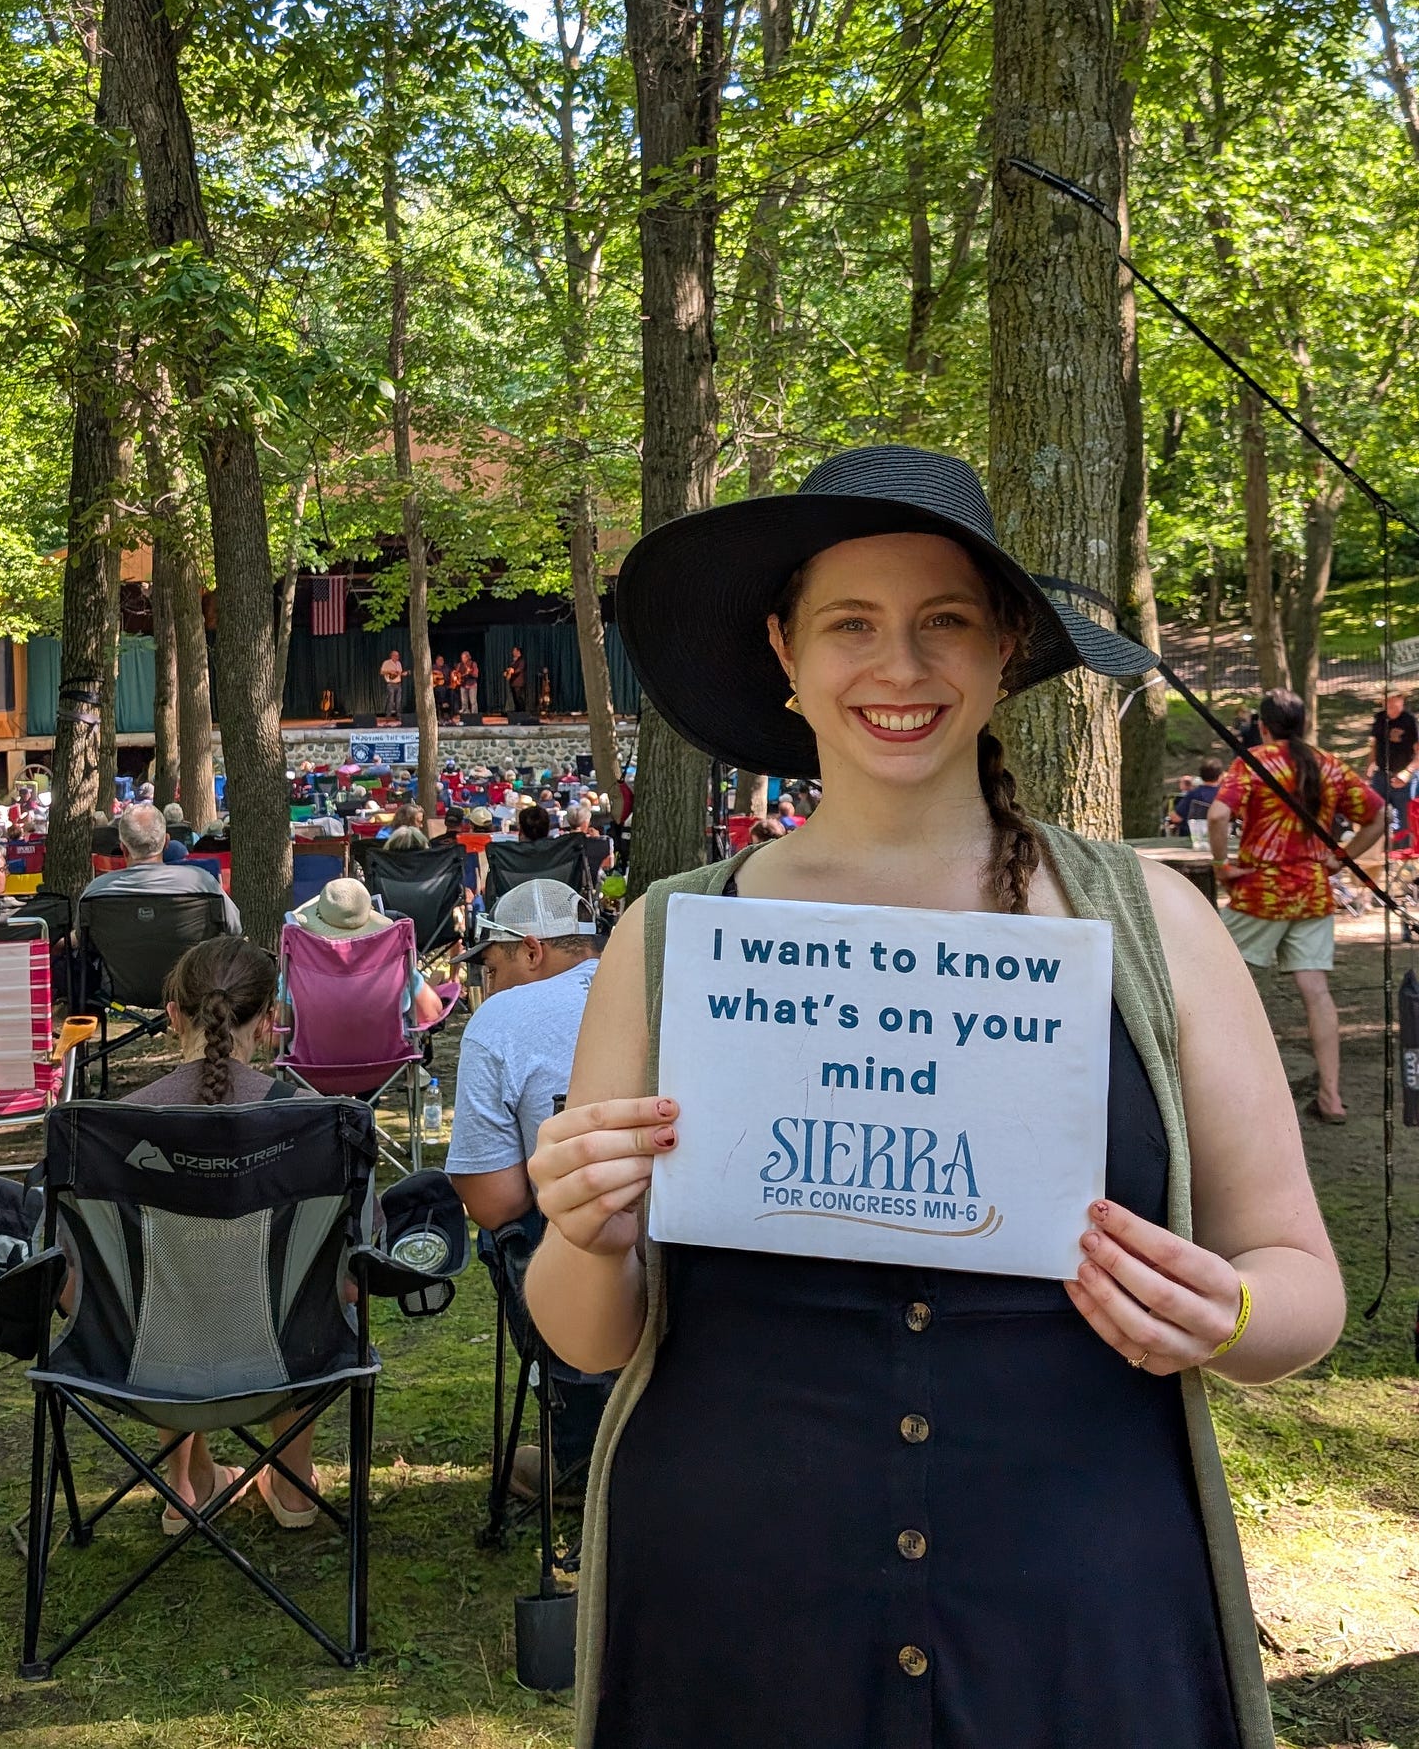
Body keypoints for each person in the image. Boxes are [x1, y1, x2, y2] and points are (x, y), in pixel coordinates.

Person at [525, 444, 1346, 1749]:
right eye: (852, 623)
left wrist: (1227, 1310)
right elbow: (591, 1337)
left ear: (1005, 647)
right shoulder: (674, 938)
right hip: (737, 1610)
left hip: (1075, 1600)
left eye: (942, 621)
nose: (897, 667)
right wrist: (584, 1228)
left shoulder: (1155, 925)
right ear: (785, 654)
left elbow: (1301, 1280)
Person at [107, 938, 328, 1529]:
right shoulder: (314, 1126)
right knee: (311, 1284)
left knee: (158, 1290)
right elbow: (360, 1252)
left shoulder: (112, 1133)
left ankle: (187, 1482)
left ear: (173, 1016)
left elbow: (72, 1265)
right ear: (272, 1021)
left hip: (152, 1358)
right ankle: (292, 1483)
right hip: (284, 1357)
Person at [446, 880, 610, 1496]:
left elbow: (495, 1203)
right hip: (696, 1251)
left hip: (578, 1257)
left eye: (490, 967)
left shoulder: (503, 1019)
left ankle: (578, 1448)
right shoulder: (670, 981)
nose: (485, 985)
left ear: (532, 950)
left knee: (512, 1230)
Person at [1207, 689, 1385, 1125]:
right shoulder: (1329, 764)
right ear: (1303, 723)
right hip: (1311, 892)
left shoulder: (1253, 761)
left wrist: (1221, 866)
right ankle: (1331, 1097)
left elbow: (1215, 816)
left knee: (1212, 981)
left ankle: (1216, 1091)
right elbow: (1379, 816)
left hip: (1260, 893)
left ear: (1263, 726)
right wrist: (1340, 857)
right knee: (1316, 992)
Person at [282, 876, 444, 1028]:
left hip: (313, 1055)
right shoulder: (393, 958)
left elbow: (278, 1033)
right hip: (386, 1055)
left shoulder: (298, 963)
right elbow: (430, 1014)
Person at [80, 804, 242, 933]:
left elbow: (83, 938)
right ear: (166, 843)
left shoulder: (96, 891)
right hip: (193, 973)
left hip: (117, 973)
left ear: (123, 848)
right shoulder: (203, 883)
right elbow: (234, 927)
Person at [1366, 688, 1418, 825]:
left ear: (1402, 700)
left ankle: (1402, 847)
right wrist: (1370, 767)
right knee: (1377, 819)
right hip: (1380, 776)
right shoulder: (1379, 718)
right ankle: (1385, 847)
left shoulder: (1410, 721)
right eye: (1387, 700)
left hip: (1403, 779)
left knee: (1405, 824)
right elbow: (1375, 744)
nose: (1391, 703)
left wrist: (1408, 772)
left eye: (1395, 699)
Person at [1173, 757, 1224, 837]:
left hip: (1193, 838)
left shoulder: (1193, 794)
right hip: (1219, 836)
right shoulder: (1225, 795)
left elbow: (1176, 818)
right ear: (1220, 776)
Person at [380, 648, 405, 722]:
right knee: (390, 700)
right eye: (396, 656)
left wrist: (403, 674)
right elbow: (381, 672)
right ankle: (388, 716)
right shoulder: (386, 663)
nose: (397, 657)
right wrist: (389, 671)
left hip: (398, 684)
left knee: (398, 701)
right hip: (390, 684)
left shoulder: (399, 663)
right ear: (392, 656)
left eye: (398, 656)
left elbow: (399, 673)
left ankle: (398, 716)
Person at [504, 645, 528, 712]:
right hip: (513, 682)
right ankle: (517, 713)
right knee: (515, 699)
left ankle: (522, 712)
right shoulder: (514, 661)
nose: (513, 652)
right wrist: (507, 672)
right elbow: (511, 668)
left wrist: (512, 671)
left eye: (514, 651)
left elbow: (519, 669)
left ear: (518, 651)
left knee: (519, 698)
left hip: (518, 683)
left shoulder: (521, 660)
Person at [457, 649, 480, 717]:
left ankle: (475, 716)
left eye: (464, 657)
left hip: (472, 685)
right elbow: (456, 673)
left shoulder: (473, 664)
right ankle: (465, 716)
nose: (463, 659)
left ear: (468, 657)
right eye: (462, 658)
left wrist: (470, 673)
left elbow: (476, 675)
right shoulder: (459, 665)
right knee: (464, 702)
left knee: (473, 701)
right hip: (463, 685)